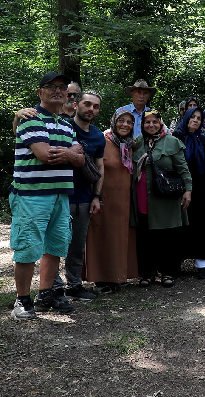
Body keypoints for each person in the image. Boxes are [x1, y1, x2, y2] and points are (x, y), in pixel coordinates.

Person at [9, 72, 84, 320]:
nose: (58, 91)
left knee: (55, 247)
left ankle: (45, 294)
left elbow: (81, 159)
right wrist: (71, 153)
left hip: (60, 196)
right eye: (51, 87)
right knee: (28, 248)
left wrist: (73, 155)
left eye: (62, 87)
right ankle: (22, 301)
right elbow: (44, 155)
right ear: (40, 92)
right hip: (32, 196)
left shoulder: (66, 124)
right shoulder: (30, 119)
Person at [52, 91, 106, 301]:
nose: (91, 109)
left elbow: (100, 167)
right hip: (60, 195)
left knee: (77, 245)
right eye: (87, 104)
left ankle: (74, 285)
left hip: (84, 197)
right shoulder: (62, 127)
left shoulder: (98, 136)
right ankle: (53, 286)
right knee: (55, 243)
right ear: (75, 105)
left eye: (96, 106)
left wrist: (97, 196)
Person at [132, 110, 192, 288]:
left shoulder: (172, 142)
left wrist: (188, 190)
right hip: (143, 197)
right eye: (147, 122)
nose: (151, 125)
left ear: (161, 123)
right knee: (145, 237)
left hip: (166, 197)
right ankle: (147, 273)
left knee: (168, 236)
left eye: (155, 122)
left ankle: (168, 272)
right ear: (142, 125)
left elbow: (183, 169)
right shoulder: (137, 143)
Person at [83, 108, 139, 294]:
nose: (125, 124)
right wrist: (95, 196)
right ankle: (101, 278)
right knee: (103, 236)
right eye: (121, 120)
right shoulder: (103, 141)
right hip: (104, 197)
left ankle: (118, 276)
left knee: (121, 237)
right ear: (114, 121)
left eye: (129, 122)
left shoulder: (130, 145)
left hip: (123, 201)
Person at [173, 107, 205, 279]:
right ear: (185, 118)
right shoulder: (175, 139)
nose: (196, 120)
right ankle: (176, 262)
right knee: (180, 226)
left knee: (202, 225)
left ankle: (202, 264)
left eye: (199, 118)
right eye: (192, 117)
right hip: (180, 189)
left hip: (202, 190)